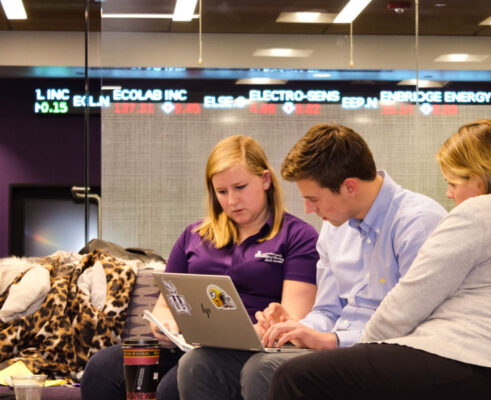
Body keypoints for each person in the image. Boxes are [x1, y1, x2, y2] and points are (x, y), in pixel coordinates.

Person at [268, 119, 491, 400]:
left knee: (297, 378)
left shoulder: (477, 213)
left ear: (481, 178)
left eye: (453, 183)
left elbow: (408, 303)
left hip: (479, 361)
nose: (449, 194)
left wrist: (358, 353)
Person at [177, 124, 447, 400]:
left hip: (388, 354)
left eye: (313, 199)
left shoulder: (416, 222)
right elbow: (327, 312)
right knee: (200, 365)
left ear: (349, 187)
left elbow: (415, 323)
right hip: (340, 349)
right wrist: (298, 327)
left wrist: (332, 340)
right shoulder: (334, 226)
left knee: (265, 370)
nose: (308, 210)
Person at [80, 135, 319, 400]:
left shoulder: (298, 236)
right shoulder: (194, 235)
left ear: (265, 180)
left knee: (175, 386)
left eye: (240, 187)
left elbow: (294, 319)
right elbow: (164, 304)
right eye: (222, 192)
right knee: (102, 368)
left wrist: (266, 326)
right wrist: (166, 325)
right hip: (183, 345)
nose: (231, 201)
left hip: (248, 352)